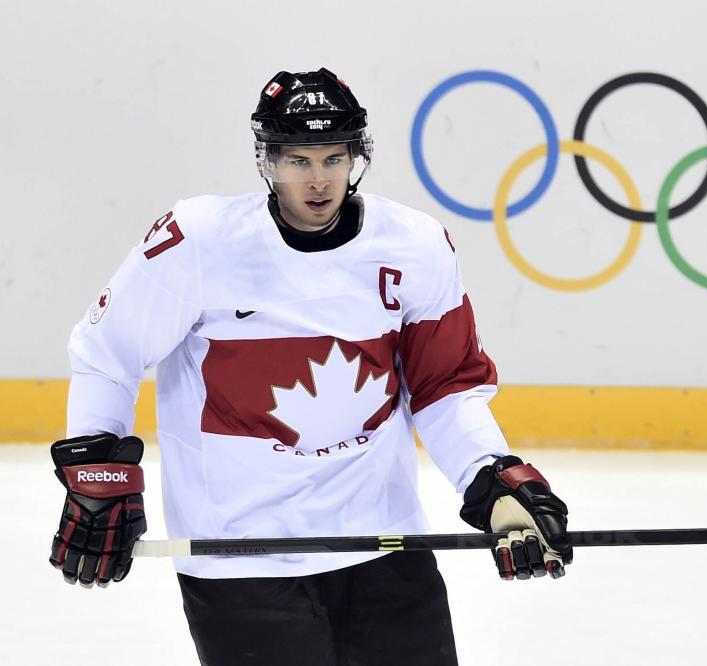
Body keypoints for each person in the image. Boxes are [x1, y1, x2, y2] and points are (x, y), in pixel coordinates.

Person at [48, 67, 573, 665]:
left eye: (333, 158)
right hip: (240, 559)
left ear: (356, 158)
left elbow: (445, 387)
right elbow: (105, 354)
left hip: (385, 545)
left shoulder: (416, 246)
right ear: (268, 162)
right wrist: (98, 472)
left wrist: (492, 481)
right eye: (298, 160)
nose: (318, 180)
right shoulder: (198, 242)